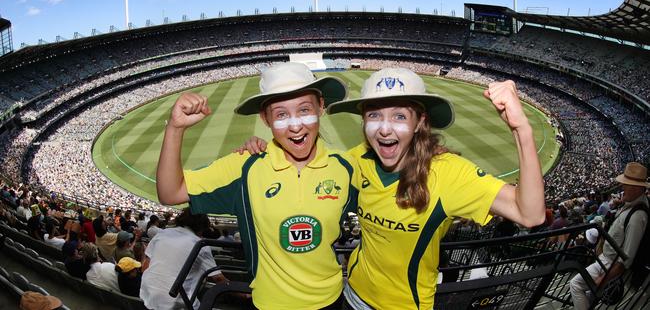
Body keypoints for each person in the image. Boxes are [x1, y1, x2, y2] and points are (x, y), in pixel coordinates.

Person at [240, 67, 545, 309]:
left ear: (419, 122)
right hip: (350, 295)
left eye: (399, 116)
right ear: (363, 122)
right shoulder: (357, 161)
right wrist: (264, 149)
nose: (385, 129)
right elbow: (309, 166)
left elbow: (529, 214)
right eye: (374, 116)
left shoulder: (449, 174)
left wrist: (521, 129)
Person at [156, 62, 357, 309]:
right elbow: (170, 192)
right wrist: (175, 128)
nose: (295, 126)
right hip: (268, 304)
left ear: (321, 106)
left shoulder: (347, 167)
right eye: (281, 114)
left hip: (331, 301)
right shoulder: (245, 167)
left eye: (304, 109)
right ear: (265, 118)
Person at [570, 162, 649, 310]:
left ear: (639, 189)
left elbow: (626, 258)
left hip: (609, 265)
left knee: (575, 285)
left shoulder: (638, 216)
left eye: (627, 185)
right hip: (605, 261)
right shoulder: (632, 204)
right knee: (589, 297)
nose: (622, 188)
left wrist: (604, 279)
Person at [140, 209, 228, 310]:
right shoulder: (200, 245)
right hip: (177, 305)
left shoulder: (162, 233)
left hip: (146, 298)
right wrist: (243, 294)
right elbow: (218, 279)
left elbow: (144, 267)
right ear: (202, 227)